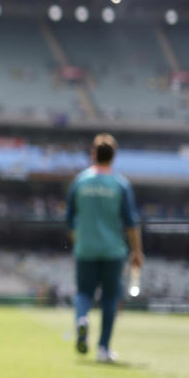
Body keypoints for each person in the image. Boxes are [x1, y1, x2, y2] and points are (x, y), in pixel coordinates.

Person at [65, 133, 144, 362]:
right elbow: (130, 223)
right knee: (110, 298)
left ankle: (81, 319)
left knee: (83, 293)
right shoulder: (120, 184)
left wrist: (79, 241)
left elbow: (69, 219)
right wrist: (137, 251)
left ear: (93, 154)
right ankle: (103, 349)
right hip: (113, 251)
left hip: (86, 249)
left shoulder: (80, 181)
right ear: (114, 156)